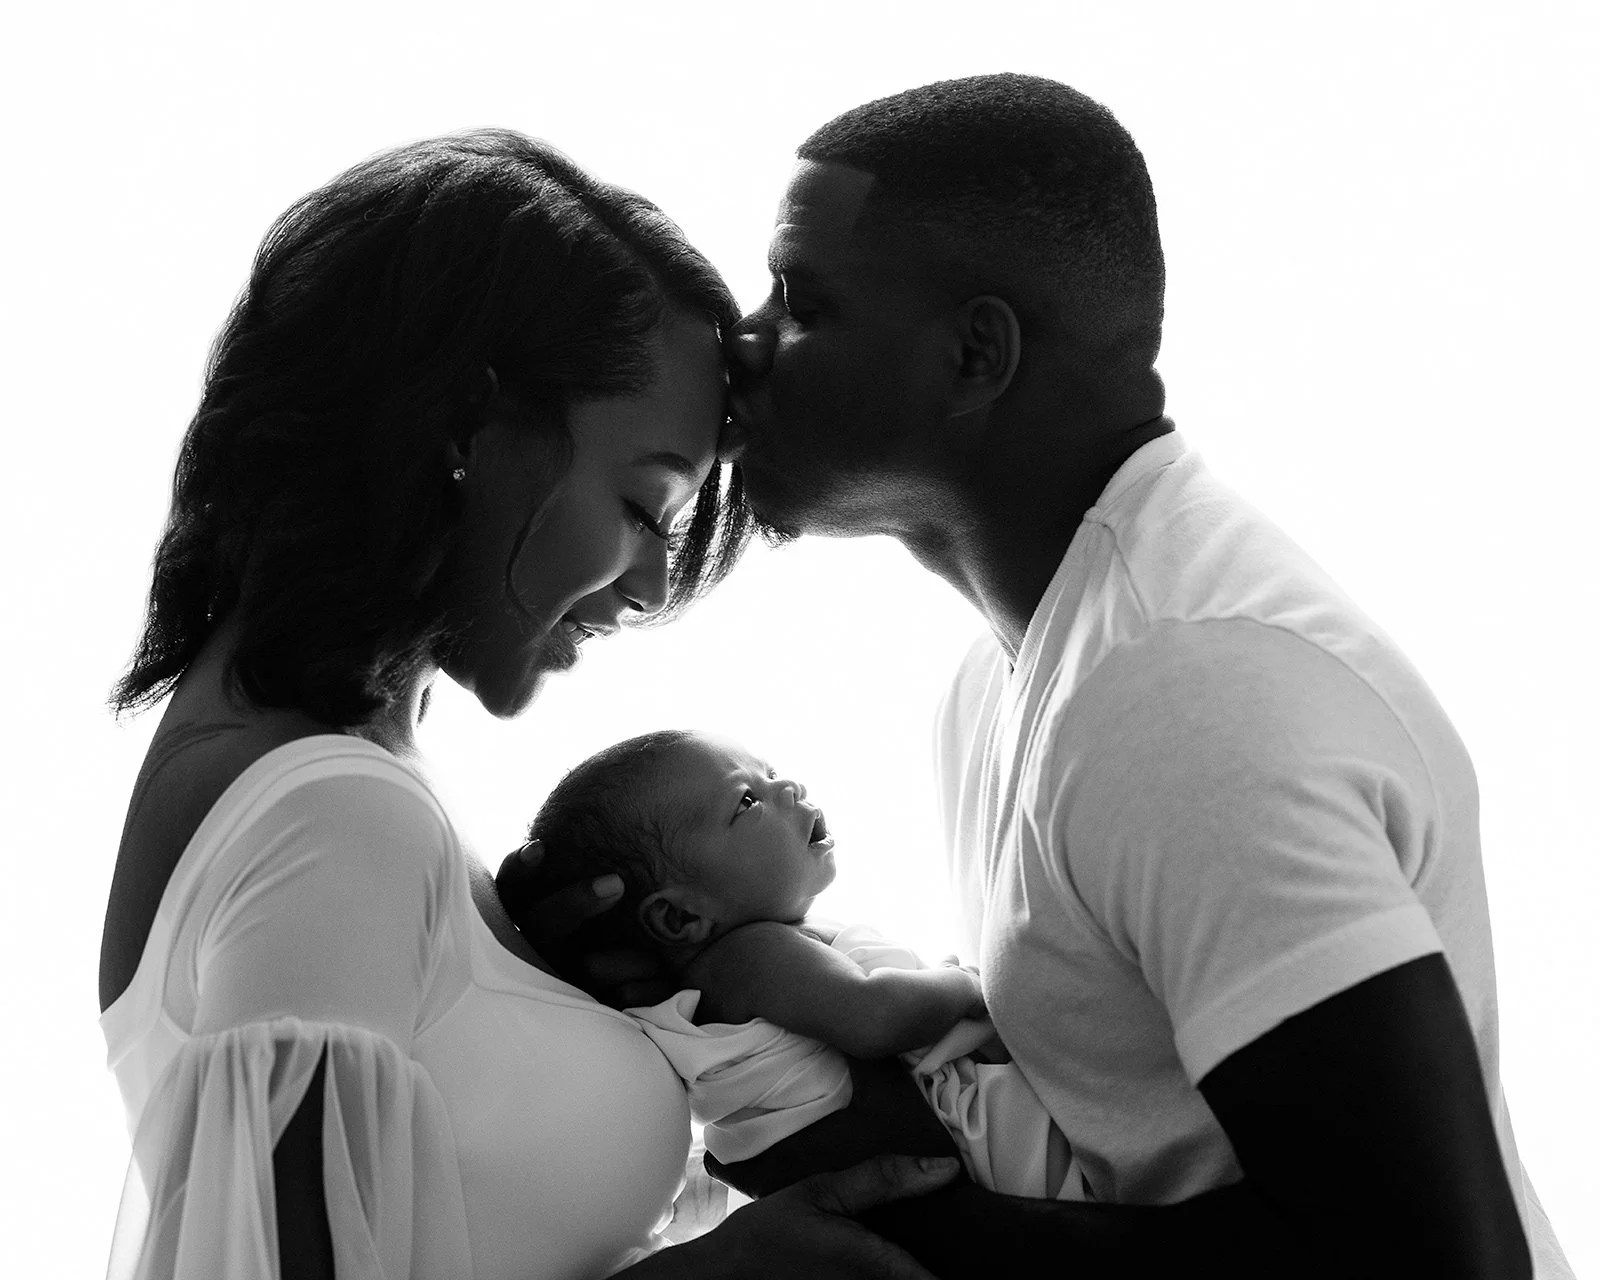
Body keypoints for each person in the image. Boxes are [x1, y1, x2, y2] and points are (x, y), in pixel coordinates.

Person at [710, 73, 1572, 1278]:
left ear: (975, 354)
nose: (739, 343)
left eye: (798, 298)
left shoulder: (1184, 686)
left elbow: (1429, 1261)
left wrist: (920, 1244)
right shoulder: (1015, 669)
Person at [97, 129, 968, 1280]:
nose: (657, 582)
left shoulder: (332, 772)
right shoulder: (335, 812)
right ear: (466, 428)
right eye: (646, 506)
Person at [526, 729, 1075, 1198]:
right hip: (990, 1152)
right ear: (679, 917)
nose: (789, 787)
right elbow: (875, 1018)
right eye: (746, 800)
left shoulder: (754, 953)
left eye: (771, 773)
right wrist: (969, 981)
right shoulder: (748, 956)